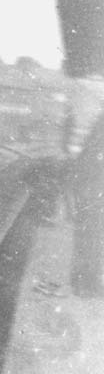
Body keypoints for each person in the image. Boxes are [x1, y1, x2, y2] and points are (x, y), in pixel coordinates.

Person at [68, 114, 104, 297]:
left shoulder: (94, 137)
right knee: (92, 241)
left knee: (86, 240)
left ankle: (81, 282)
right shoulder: (99, 140)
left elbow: (82, 166)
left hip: (88, 196)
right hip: (94, 197)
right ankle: (87, 284)